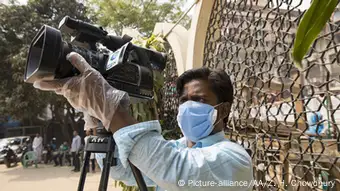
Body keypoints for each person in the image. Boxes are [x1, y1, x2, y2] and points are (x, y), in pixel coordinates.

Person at [33, 52, 253, 190]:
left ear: (223, 109)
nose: (187, 106)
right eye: (184, 100)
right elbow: (122, 171)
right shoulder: (175, 147)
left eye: (198, 100)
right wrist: (95, 114)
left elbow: (179, 173)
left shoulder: (234, 158)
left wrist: (110, 106)